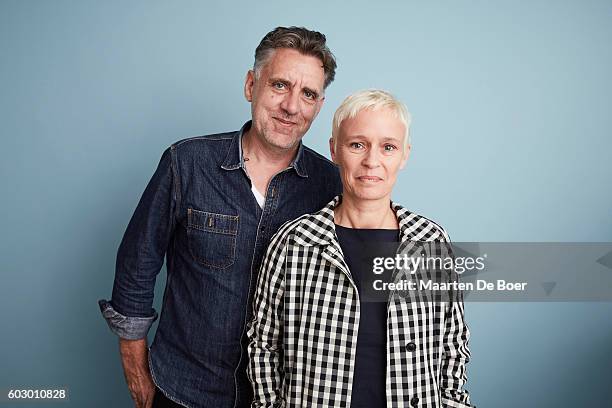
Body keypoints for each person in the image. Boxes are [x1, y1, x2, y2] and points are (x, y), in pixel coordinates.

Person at [98, 26, 342, 408]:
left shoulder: (332, 186)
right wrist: (137, 376)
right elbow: (137, 265)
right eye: (279, 85)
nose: (292, 106)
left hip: (283, 398)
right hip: (181, 391)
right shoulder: (187, 163)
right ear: (251, 85)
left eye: (307, 94)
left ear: (318, 105)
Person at [247, 90, 473, 407]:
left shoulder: (431, 241)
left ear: (404, 155)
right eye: (357, 145)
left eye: (388, 147)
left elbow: (452, 341)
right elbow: (265, 342)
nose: (371, 161)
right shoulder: (293, 241)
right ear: (334, 150)